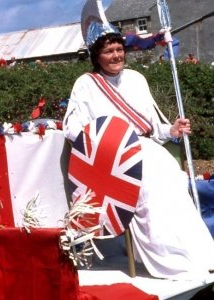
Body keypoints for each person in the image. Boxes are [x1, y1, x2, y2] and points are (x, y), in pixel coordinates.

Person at [63, 1, 214, 280]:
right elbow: (72, 128)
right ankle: (171, 261)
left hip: (150, 151)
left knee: (175, 185)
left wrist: (172, 130)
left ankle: (199, 255)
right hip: (115, 160)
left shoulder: (136, 78)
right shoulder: (85, 84)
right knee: (151, 191)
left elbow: (152, 126)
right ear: (97, 56)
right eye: (108, 51)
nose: (116, 55)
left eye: (119, 49)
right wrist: (108, 142)